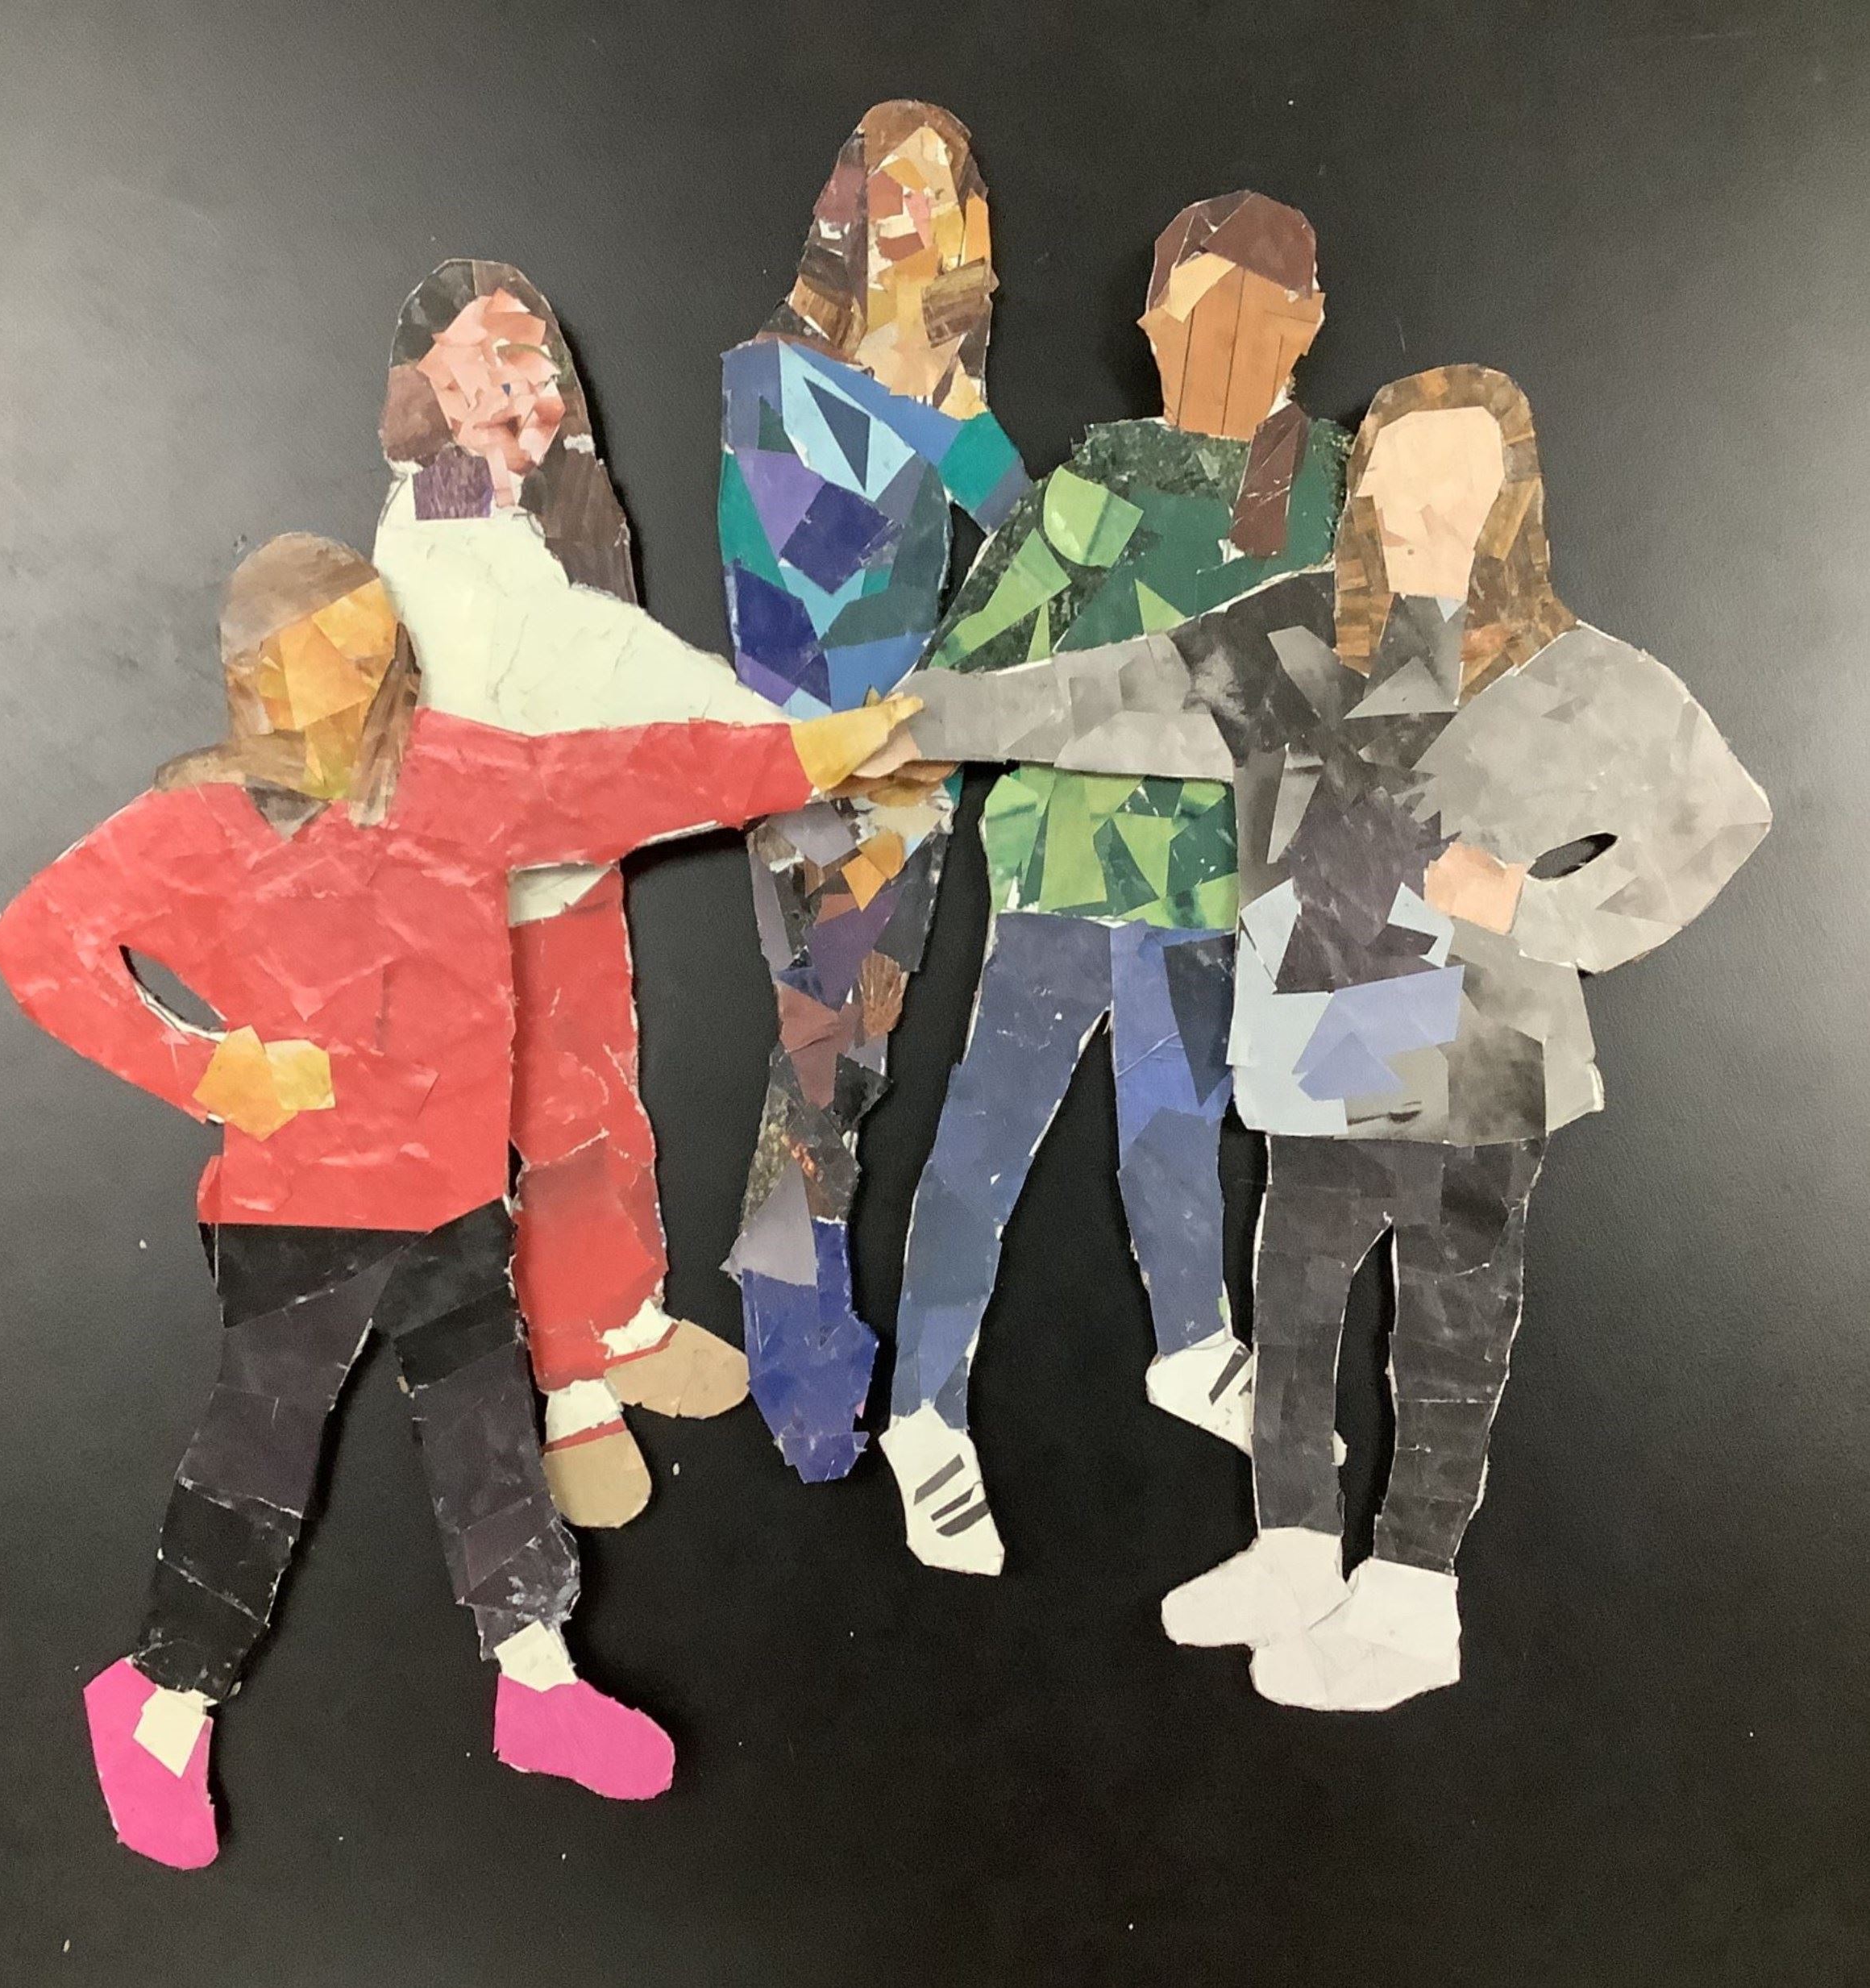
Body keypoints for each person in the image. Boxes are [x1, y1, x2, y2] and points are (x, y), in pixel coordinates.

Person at [0, 534, 912, 1865]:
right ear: (255, 679)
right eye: (331, 656)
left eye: (376, 648)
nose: (368, 677)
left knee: (488, 1431)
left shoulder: (452, 775)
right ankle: (162, 1702)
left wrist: (805, 755)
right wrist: (203, 1067)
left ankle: (538, 1680)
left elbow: (618, 776)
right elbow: (35, 939)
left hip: (456, 1194)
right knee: (262, 1453)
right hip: (298, 1208)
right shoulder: (192, 824)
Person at [896, 364, 1769, 1702]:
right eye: (1395, 485)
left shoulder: (1579, 677)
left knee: (1448, 1330)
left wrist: (1544, 907)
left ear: (1513, 505)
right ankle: (1294, 1550)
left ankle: (1414, 1598)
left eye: (1457, 490)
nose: (1421, 517)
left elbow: (1723, 814)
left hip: (1480, 1069)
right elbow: (1110, 693)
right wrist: (915, 719)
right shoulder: (1296, 634)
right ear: (1359, 493)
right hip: (1323, 1046)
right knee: (1294, 1311)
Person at [878, 193, 1344, 1574]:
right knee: (990, 1127)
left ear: (1308, 328)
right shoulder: (1100, 482)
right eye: (1194, 319)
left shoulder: (1334, 489)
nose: (1221, 349)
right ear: (1149, 327)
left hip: (1227, 881)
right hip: (1072, 867)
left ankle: (1193, 1341)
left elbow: (1377, 675)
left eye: (1254, 318)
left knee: (1182, 1117)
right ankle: (921, 1406)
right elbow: (960, 671)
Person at [372, 260, 782, 1529]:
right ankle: (568, 1381)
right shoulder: (440, 519)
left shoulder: (528, 514)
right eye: (484, 367)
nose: (520, 392)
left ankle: (627, 1313)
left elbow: (591, 644)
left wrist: (740, 733)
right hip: (485, 893)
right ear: (423, 389)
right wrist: (749, 736)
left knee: (609, 1095)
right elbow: (568, 654)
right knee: (548, 1126)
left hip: (573, 870)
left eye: (535, 364)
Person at [717, 101, 1029, 1483]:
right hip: (814, 781)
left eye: (940, 202)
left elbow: (1034, 547)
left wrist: (954, 419)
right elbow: (787, 601)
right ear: (844, 214)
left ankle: (803, 1316)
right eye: (890, 195)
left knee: (857, 1060)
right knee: (820, 1059)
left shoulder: (945, 393)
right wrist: (920, 411)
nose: (913, 226)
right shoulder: (773, 374)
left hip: (917, 785)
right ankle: (794, 1343)